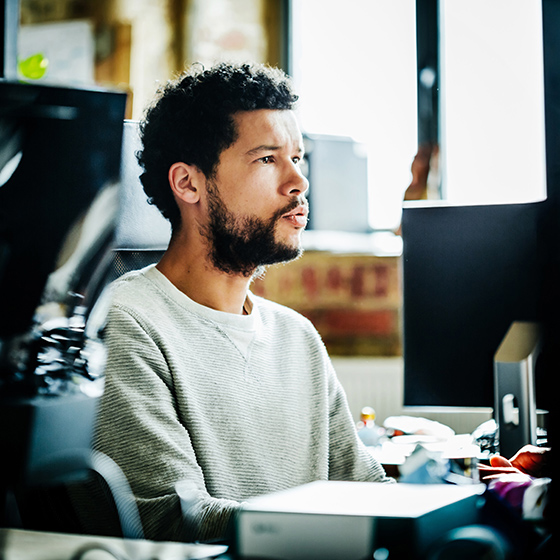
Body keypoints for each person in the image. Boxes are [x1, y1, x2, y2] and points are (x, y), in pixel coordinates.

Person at [73, 62, 392, 544]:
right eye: (267, 159)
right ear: (188, 184)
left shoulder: (297, 336)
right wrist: (335, 533)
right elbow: (170, 520)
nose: (298, 182)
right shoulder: (126, 323)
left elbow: (363, 488)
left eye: (297, 158)